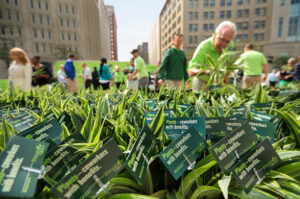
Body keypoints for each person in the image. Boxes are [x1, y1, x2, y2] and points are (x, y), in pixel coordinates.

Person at [189, 21, 237, 91]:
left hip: (219, 82)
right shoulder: (204, 46)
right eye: (222, 39)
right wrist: (206, 72)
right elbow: (191, 71)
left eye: (227, 42)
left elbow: (228, 65)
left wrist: (225, 82)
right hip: (202, 82)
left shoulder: (231, 46)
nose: (224, 45)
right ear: (215, 34)